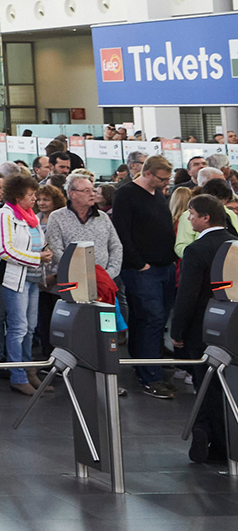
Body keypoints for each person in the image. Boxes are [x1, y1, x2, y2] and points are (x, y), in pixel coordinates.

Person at [173, 194, 236, 466]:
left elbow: (187, 295)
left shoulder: (196, 250)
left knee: (206, 386)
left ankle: (214, 439)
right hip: (232, 326)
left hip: (202, 329)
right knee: (230, 387)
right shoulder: (235, 244)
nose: (189, 218)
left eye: (192, 214)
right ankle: (217, 438)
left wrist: (177, 331)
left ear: (205, 217)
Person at [112, 155, 177, 400]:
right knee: (151, 319)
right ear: (147, 173)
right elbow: (122, 232)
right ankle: (151, 376)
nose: (164, 183)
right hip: (143, 270)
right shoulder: (126, 194)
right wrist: (139, 264)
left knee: (151, 322)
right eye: (161, 178)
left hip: (164, 266)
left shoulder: (157, 194)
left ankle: (147, 367)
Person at [0, 173, 46, 397]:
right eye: (30, 195)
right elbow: (4, 250)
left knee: (30, 327)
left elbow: (37, 243)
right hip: (16, 279)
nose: (35, 199)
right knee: (18, 328)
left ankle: (28, 368)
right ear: (17, 195)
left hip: (32, 278)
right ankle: (18, 375)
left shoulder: (29, 216)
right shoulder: (5, 216)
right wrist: (37, 258)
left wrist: (42, 253)